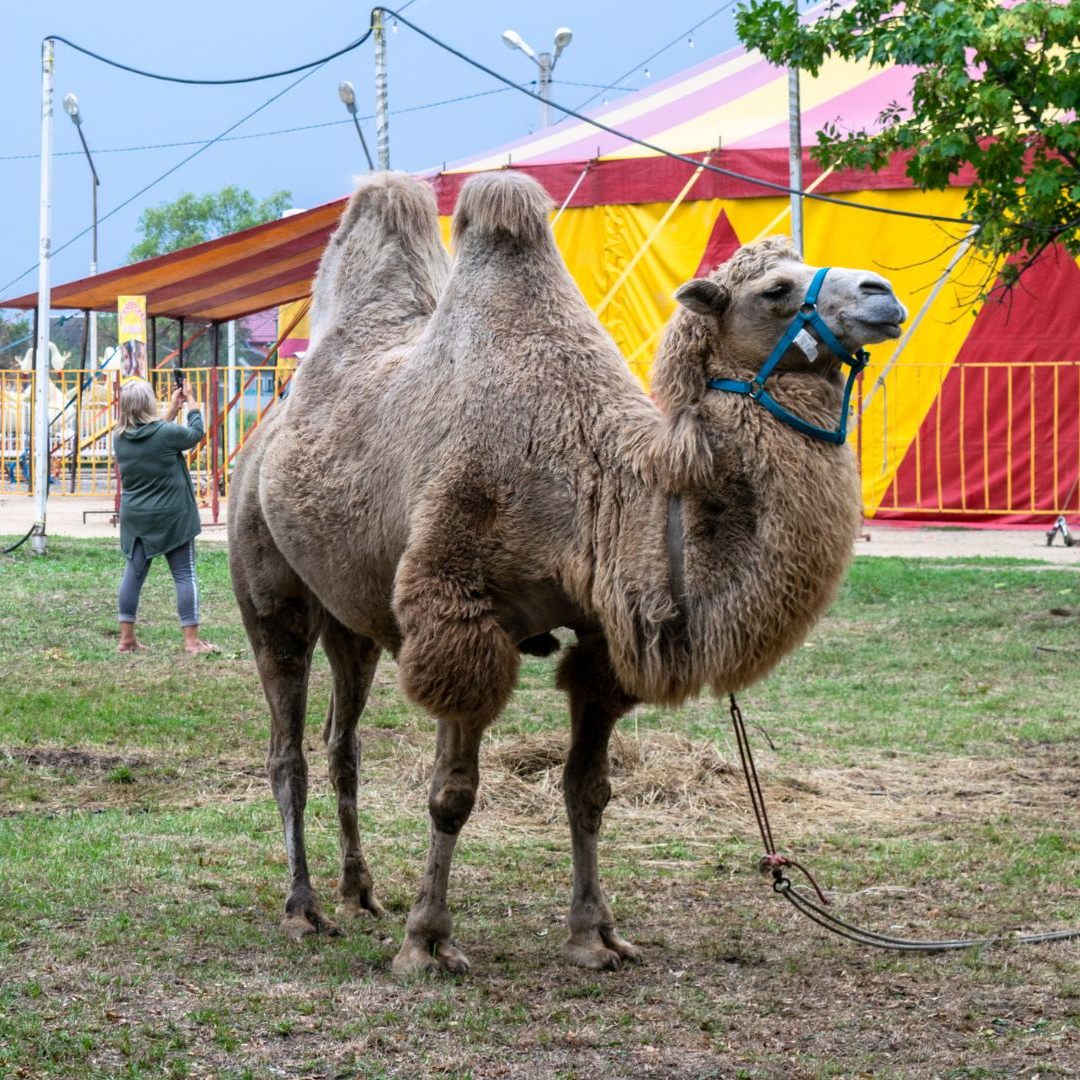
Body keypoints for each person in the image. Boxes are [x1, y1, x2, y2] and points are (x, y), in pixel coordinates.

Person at [113, 377, 215, 654]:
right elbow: (195, 434)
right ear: (148, 403)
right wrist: (191, 401)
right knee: (184, 574)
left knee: (133, 576)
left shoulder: (119, 437)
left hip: (137, 520)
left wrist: (171, 408)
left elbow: (155, 436)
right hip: (173, 518)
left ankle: (126, 639)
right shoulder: (166, 435)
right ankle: (192, 641)